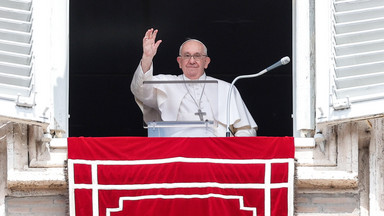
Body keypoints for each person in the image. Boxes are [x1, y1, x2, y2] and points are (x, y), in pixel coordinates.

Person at [131, 28, 257, 137]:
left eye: (197, 56)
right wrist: (147, 57)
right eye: (186, 56)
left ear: (206, 62)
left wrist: (232, 146)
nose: (192, 61)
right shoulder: (165, 83)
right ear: (179, 62)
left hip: (216, 153)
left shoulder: (226, 88)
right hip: (177, 153)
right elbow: (140, 90)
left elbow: (246, 129)